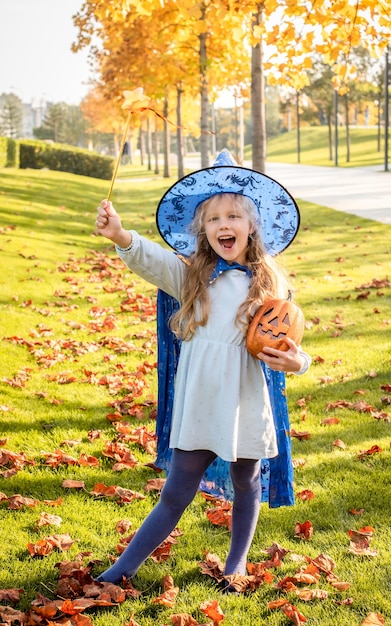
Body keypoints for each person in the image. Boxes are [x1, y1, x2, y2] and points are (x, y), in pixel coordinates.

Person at [94, 149, 311, 587]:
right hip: (200, 400)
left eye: (233, 215)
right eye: (213, 219)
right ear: (202, 229)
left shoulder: (271, 283)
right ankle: (122, 570)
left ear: (252, 225)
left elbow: (292, 339)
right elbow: (149, 259)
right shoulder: (191, 276)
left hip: (245, 400)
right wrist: (120, 235)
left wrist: (296, 362)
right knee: (176, 491)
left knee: (247, 481)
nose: (223, 225)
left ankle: (236, 566)